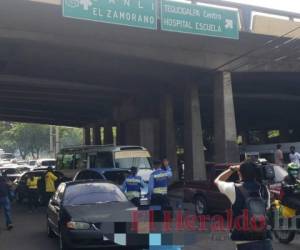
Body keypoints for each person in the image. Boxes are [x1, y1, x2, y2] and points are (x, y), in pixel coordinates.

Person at [214, 161, 272, 250]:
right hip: (265, 241)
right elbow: (266, 209)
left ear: (240, 173)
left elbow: (217, 181)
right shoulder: (264, 189)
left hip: (244, 241)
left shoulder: (233, 188)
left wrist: (232, 169)